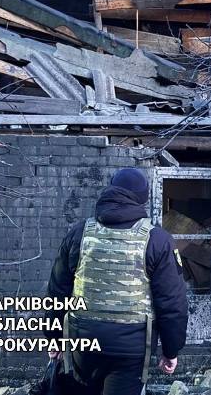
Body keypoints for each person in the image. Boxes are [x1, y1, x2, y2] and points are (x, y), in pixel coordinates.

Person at [44, 168, 188, 395]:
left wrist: (53, 337)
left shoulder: (79, 233)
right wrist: (171, 350)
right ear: (142, 199)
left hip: (83, 345)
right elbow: (172, 302)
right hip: (130, 351)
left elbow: (57, 292)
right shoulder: (158, 240)